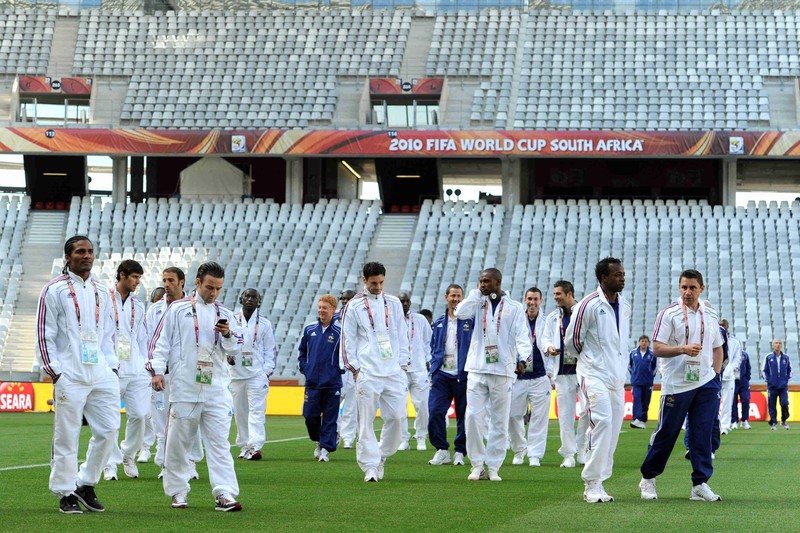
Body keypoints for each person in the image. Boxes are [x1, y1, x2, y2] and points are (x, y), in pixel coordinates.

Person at [148, 261, 244, 511]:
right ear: (197, 283)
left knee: (220, 443)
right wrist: (157, 372)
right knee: (178, 443)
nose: (213, 293)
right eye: (209, 287)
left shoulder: (226, 313)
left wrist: (227, 334)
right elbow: (160, 342)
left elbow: (236, 350)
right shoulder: (177, 309)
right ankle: (178, 491)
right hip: (184, 388)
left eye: (218, 289)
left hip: (216, 388)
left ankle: (224, 492)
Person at [36, 235, 119, 514]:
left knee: (109, 431)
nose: (87, 256)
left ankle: (85, 483)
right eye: (80, 251)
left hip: (101, 372)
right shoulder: (54, 289)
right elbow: (44, 331)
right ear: (68, 257)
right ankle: (65, 492)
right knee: (67, 435)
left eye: (90, 251)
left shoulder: (102, 289)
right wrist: (55, 371)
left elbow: (108, 333)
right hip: (69, 374)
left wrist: (112, 366)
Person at [638, 269, 724, 502]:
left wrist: (716, 377)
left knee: (702, 434)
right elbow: (657, 348)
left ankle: (700, 483)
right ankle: (648, 478)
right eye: (683, 287)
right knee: (667, 432)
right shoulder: (669, 314)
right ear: (679, 288)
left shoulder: (711, 312)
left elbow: (718, 347)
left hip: (706, 382)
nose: (687, 292)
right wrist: (682, 349)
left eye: (692, 287)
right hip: (676, 384)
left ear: (701, 289)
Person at [564, 257, 631, 503]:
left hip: (616, 376)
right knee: (601, 422)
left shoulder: (625, 306)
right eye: (617, 274)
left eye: (623, 274)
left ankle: (600, 481)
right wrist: (592, 361)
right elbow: (572, 342)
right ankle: (591, 483)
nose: (622, 278)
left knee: (613, 429)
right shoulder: (587, 305)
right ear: (603, 278)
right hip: (593, 374)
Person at [455, 268, 531, 482]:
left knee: (499, 421)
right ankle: (477, 464)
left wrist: (524, 359)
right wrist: (475, 294)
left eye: (486, 281)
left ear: (498, 282)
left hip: (503, 370)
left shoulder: (515, 307)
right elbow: (459, 312)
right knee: (472, 417)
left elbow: (523, 336)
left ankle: (493, 466)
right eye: (480, 281)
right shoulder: (476, 302)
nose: (482, 284)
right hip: (477, 368)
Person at [340, 262, 410, 482]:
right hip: (368, 371)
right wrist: (355, 369)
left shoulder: (394, 303)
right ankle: (370, 466)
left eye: (381, 282)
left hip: (393, 371)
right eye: (373, 283)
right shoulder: (354, 306)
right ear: (364, 281)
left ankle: (381, 455)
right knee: (366, 422)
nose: (378, 287)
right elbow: (347, 340)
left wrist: (402, 364)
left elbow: (401, 333)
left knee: (398, 418)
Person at [145, 267, 203, 480]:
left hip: (186, 374)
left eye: (170, 280)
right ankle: (166, 464)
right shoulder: (154, 311)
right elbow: (151, 342)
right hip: (162, 373)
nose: (166, 284)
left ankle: (190, 462)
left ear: (182, 282)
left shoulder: (194, 307)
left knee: (188, 418)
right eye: (164, 280)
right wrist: (153, 369)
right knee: (161, 421)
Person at [101, 260, 150, 481]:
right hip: (112, 368)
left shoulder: (138, 306)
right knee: (110, 419)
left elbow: (142, 338)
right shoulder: (103, 299)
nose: (137, 282)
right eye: (134, 277)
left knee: (140, 415)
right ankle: (110, 464)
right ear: (122, 275)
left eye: (139, 278)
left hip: (136, 367)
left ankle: (128, 454)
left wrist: (147, 364)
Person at [541, 280, 588, 468]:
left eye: (558, 294)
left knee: (587, 410)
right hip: (561, 371)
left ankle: (582, 447)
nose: (555, 297)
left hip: (583, 369)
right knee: (565, 415)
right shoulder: (553, 317)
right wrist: (549, 347)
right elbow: (544, 340)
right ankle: (568, 454)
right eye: (554, 294)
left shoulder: (583, 313)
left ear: (569, 294)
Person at [428, 284, 472, 466]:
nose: (455, 299)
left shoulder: (470, 321)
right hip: (442, 374)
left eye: (459, 296)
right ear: (446, 297)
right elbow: (433, 345)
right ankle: (442, 449)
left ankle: (460, 451)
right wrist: (434, 368)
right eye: (453, 296)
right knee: (435, 411)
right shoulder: (439, 322)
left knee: (464, 415)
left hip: (463, 374)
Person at [230, 288, 277, 460]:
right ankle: (243, 445)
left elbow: (270, 350)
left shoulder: (264, 324)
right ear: (241, 298)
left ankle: (255, 446)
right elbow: (224, 342)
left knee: (257, 411)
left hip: (256, 374)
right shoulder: (232, 319)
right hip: (236, 374)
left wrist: (265, 372)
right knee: (241, 413)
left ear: (259, 302)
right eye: (247, 296)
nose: (250, 299)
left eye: (254, 297)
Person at [509, 287, 551, 467]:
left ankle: (535, 454)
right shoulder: (516, 320)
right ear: (525, 300)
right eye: (529, 299)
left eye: (535, 299)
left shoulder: (547, 321)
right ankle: (519, 449)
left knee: (539, 419)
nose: (532, 303)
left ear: (540, 301)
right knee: (512, 416)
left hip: (540, 377)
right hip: (518, 377)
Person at [298, 294, 343, 462]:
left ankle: (325, 449)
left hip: (332, 383)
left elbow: (345, 355)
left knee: (330, 418)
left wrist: (338, 369)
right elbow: (302, 351)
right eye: (320, 307)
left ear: (333, 310)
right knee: (310, 416)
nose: (321, 310)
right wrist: (305, 367)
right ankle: (320, 440)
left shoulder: (340, 332)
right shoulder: (309, 329)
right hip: (312, 382)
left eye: (325, 308)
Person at [399, 292, 433, 451]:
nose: (405, 304)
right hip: (399, 370)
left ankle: (421, 437)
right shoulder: (391, 320)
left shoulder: (419, 320)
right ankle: (403, 439)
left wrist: (427, 358)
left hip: (419, 368)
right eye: (401, 301)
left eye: (407, 301)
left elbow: (428, 341)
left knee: (423, 405)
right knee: (399, 406)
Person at [336, 289, 357, 449]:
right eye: (343, 299)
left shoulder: (360, 318)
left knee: (351, 405)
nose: (345, 301)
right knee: (333, 404)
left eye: (348, 298)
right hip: (337, 368)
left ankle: (348, 437)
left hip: (354, 368)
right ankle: (334, 433)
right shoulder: (334, 319)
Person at [718, 319, 742, 435]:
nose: (721, 327)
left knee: (727, 402)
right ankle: (715, 424)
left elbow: (737, 359)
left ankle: (725, 426)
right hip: (715, 375)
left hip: (729, 376)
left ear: (727, 327)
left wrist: (729, 369)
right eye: (720, 325)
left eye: (723, 325)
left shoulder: (735, 342)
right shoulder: (714, 338)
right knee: (714, 402)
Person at [628, 335, 657, 429]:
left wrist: (650, 376)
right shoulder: (633, 353)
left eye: (645, 341)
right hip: (636, 382)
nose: (643, 343)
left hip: (648, 382)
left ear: (648, 343)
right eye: (642, 341)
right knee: (637, 399)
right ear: (639, 342)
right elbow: (629, 366)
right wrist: (634, 374)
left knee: (645, 402)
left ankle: (643, 421)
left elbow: (655, 367)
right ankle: (637, 419)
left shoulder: (652, 354)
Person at [763, 339, 792, 430]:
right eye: (776, 343)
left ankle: (783, 420)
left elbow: (789, 370)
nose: (778, 345)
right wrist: (769, 380)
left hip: (783, 386)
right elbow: (764, 370)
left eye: (780, 343)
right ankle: (774, 423)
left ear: (782, 345)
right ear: (773, 345)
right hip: (772, 386)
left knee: (784, 403)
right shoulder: (768, 357)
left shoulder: (786, 358)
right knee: (772, 405)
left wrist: (786, 380)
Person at [731, 347, 752, 430]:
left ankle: (744, 420)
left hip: (743, 382)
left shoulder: (745, 355)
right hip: (733, 381)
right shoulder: (730, 354)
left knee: (746, 400)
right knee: (733, 402)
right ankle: (734, 421)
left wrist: (747, 378)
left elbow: (748, 367)